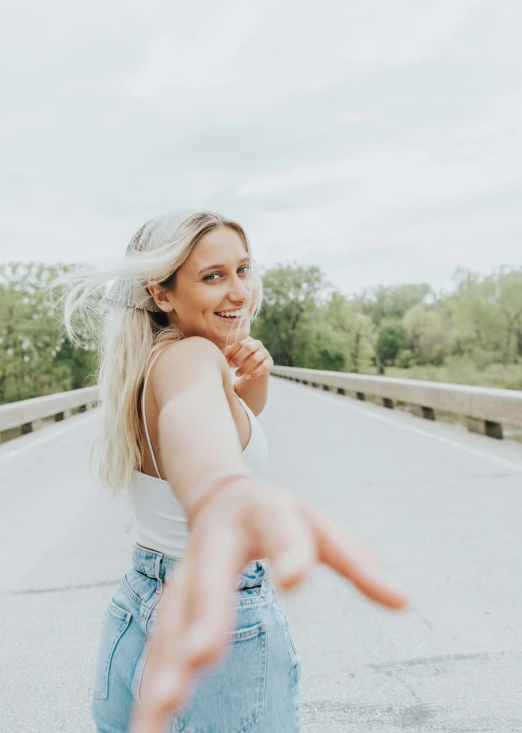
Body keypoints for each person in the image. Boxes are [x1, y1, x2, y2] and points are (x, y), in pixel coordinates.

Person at [51, 210, 408, 733]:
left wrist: (251, 382)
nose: (240, 291)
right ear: (162, 295)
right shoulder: (193, 357)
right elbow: (195, 418)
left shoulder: (150, 364)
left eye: (243, 268)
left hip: (138, 608)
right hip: (219, 625)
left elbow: (221, 422)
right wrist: (223, 489)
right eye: (213, 276)